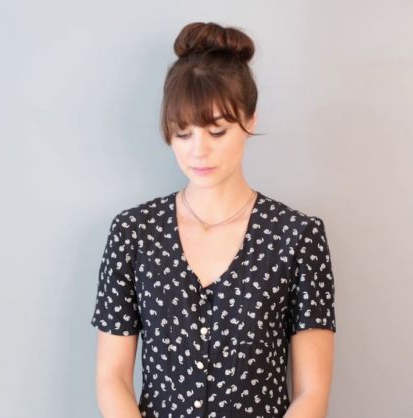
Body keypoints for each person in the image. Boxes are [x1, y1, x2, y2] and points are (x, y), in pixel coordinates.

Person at [90, 21, 337, 418]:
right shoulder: (133, 233)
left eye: (217, 132)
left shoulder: (297, 237)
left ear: (250, 120)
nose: (198, 151)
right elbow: (112, 377)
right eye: (182, 134)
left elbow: (312, 392)